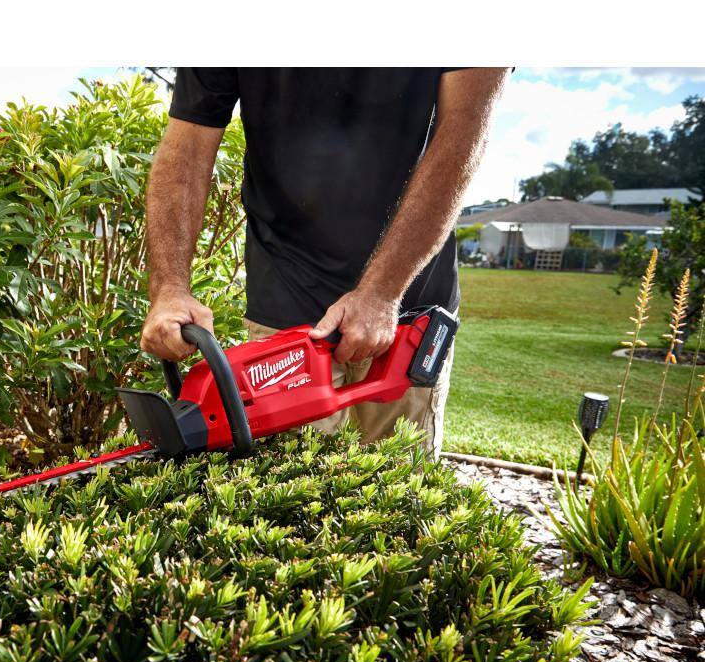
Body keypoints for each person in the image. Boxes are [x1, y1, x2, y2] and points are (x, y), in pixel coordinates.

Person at [139, 68, 509, 456]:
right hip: (285, 305)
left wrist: (382, 293)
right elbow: (189, 143)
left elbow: (463, 134)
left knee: (399, 483)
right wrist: (170, 289)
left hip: (407, 312)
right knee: (287, 484)